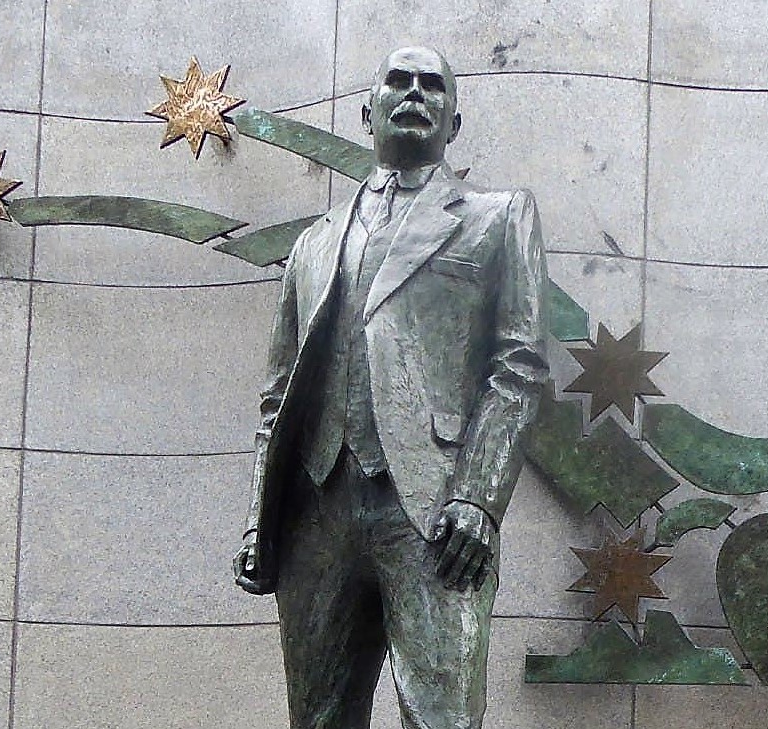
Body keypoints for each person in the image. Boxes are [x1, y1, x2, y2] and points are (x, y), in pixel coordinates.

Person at [232, 46, 548, 729]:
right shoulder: (314, 244)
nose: (415, 94)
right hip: (317, 510)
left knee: (440, 718)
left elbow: (519, 368)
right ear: (366, 112)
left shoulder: (497, 217)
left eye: (433, 86)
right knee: (317, 718)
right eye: (398, 82)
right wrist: (262, 517)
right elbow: (277, 396)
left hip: (434, 512)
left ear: (453, 122)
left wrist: (478, 497)